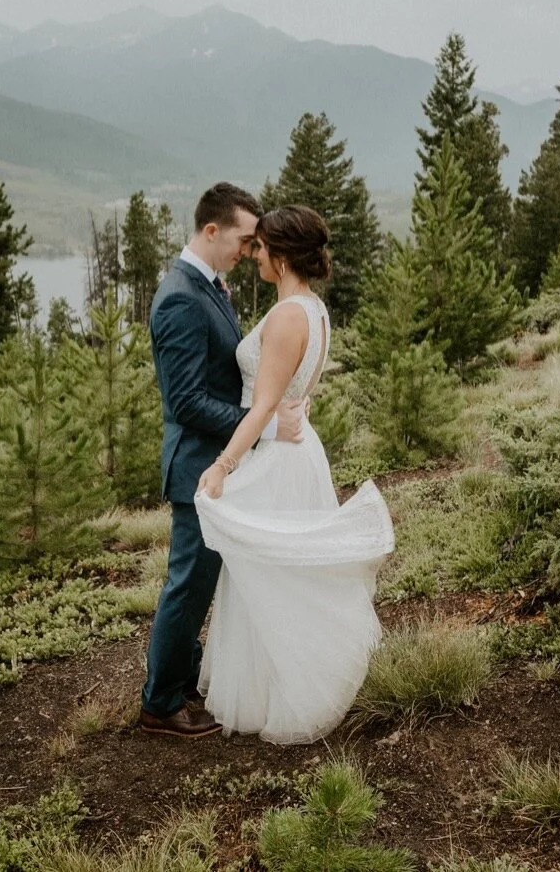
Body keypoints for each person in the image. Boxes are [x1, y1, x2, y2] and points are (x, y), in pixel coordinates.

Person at [194, 204, 394, 744]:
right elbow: (295, 390)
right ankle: (272, 683)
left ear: (281, 257)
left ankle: (287, 692)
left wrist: (222, 466)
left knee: (272, 574)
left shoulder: (287, 316)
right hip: (299, 449)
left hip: (280, 458)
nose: (254, 255)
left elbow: (263, 406)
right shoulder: (314, 309)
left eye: (260, 248)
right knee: (281, 571)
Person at [138, 183, 307, 738]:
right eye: (244, 239)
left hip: (220, 461)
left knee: (202, 583)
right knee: (188, 585)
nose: (250, 250)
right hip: (197, 466)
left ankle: (184, 678)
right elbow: (185, 401)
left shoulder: (208, 285)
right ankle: (160, 703)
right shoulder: (180, 297)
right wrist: (263, 423)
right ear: (212, 231)